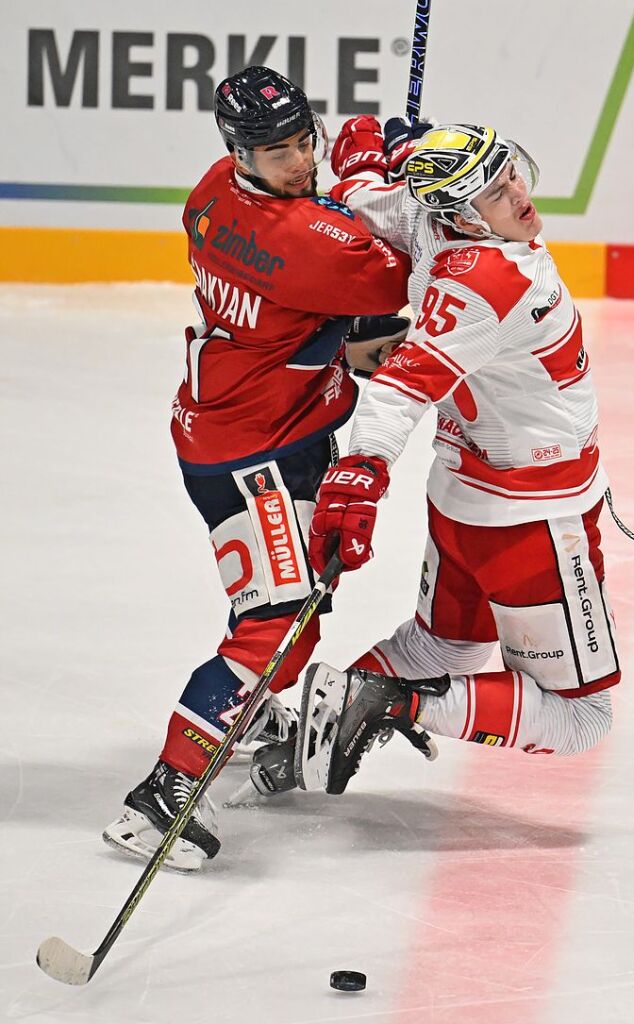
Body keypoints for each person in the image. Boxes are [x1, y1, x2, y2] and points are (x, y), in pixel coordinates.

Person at [102, 69, 428, 872]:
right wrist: (390, 174)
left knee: (303, 603)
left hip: (267, 425)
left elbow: (339, 280)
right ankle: (166, 792)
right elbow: (405, 268)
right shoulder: (301, 242)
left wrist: (360, 178)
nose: (296, 161)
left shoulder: (212, 193)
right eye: (274, 150)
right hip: (252, 452)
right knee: (277, 618)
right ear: (237, 148)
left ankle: (239, 717)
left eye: (303, 141)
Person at [295, 117, 634, 796]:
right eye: (494, 193)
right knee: (578, 718)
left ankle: (303, 737)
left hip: (463, 498)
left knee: (441, 648)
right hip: (531, 516)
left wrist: (377, 158)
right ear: (464, 215)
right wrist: (360, 469)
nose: (518, 194)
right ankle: (389, 702)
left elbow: (365, 195)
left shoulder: (422, 215)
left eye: (510, 171)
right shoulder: (494, 283)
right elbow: (401, 385)